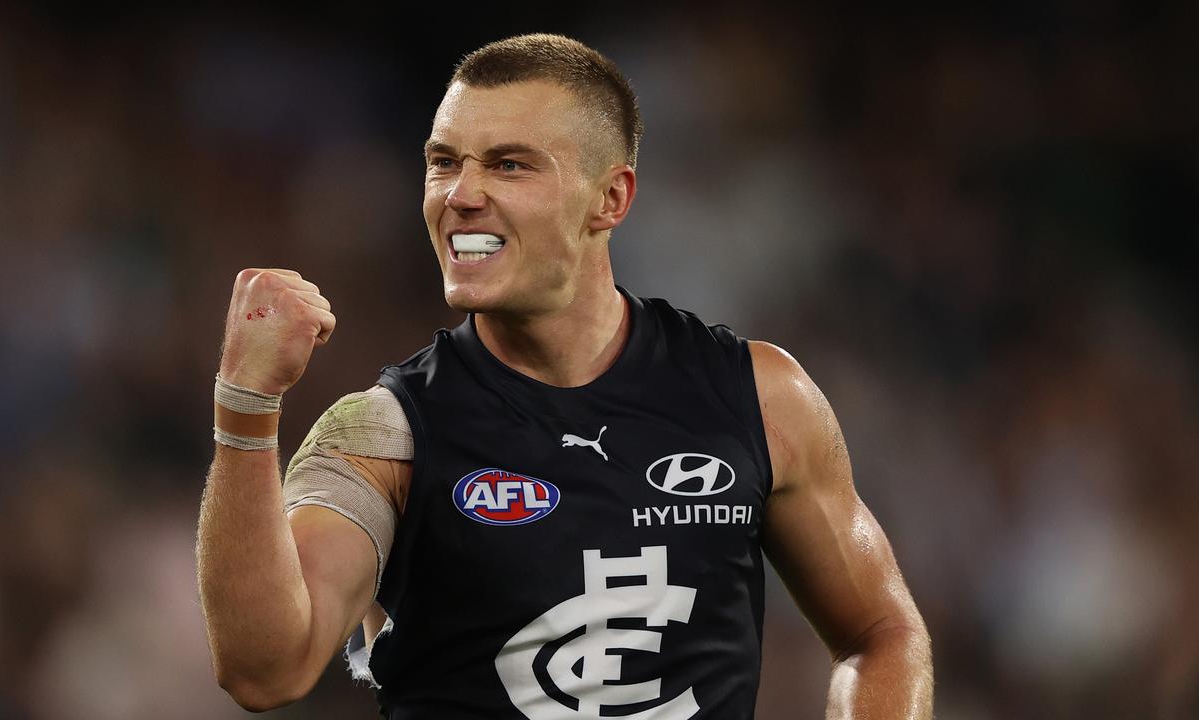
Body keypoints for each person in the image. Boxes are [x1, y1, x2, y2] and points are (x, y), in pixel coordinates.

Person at [196, 33, 933, 719]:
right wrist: (246, 407)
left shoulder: (760, 395)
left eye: (508, 164)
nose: (461, 194)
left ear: (610, 198)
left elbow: (881, 632)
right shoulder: (385, 434)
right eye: (444, 161)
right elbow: (266, 669)